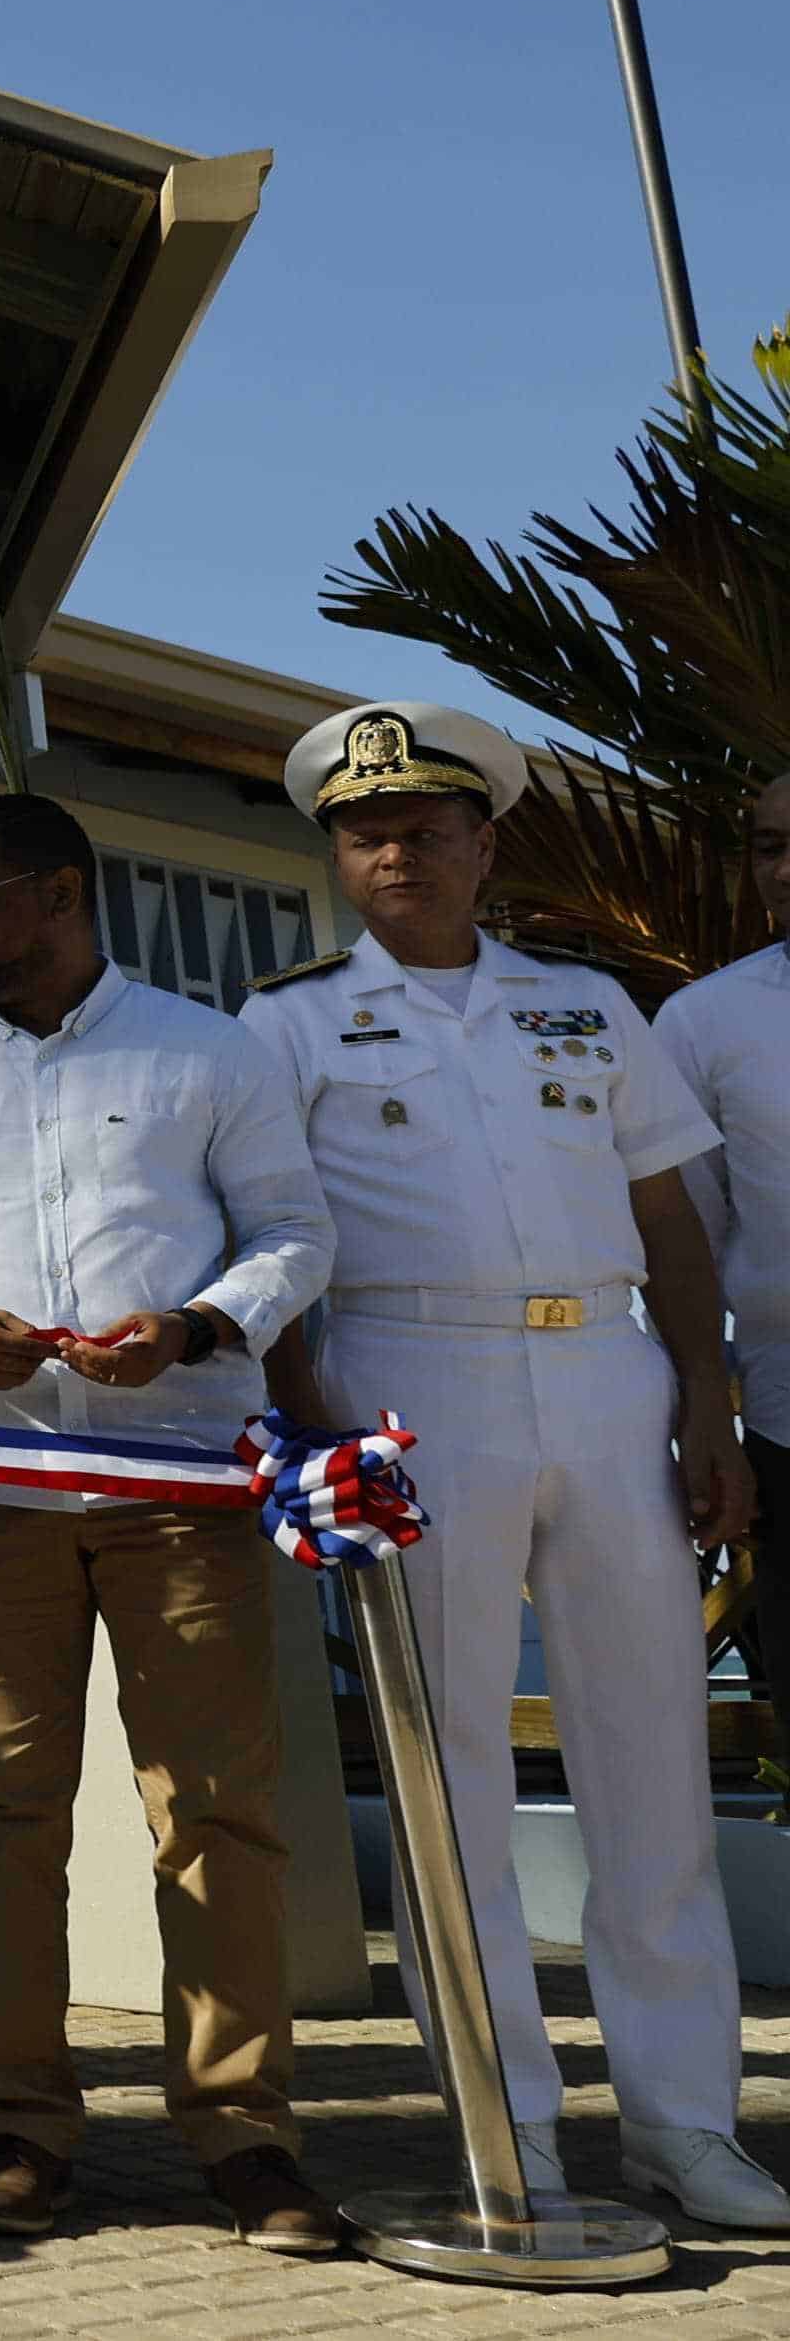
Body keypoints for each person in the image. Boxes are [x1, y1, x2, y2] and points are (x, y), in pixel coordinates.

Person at [248, 705, 785, 2231]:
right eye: (367, 831)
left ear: (486, 842)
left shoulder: (588, 1006)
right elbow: (277, 1245)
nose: (397, 849)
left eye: (427, 825)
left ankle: (687, 2123)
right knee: (451, 1777)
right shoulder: (282, 1024)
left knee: (654, 1768)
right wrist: (309, 1430)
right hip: (409, 1380)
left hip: (611, 1379)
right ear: (340, 859)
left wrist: (704, 1403)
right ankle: (516, 2130)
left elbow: (673, 1221)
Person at [0, 792, 340, 2254]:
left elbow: (295, 1233)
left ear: (58, 894)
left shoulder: (206, 1046)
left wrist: (191, 1328)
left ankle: (245, 2135)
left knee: (215, 1817)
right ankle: (19, 2125)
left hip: (180, 1488)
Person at [659, 770, 790, 1729]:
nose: (784, 870)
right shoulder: (706, 1022)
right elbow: (685, 1242)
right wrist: (707, 1413)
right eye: (769, 846)